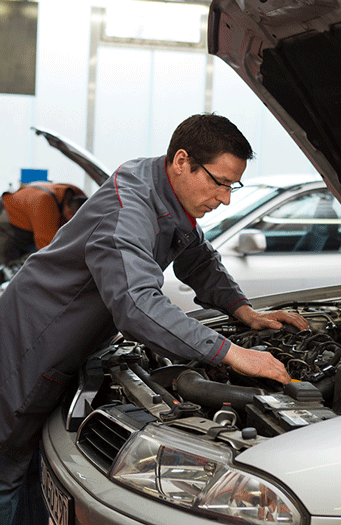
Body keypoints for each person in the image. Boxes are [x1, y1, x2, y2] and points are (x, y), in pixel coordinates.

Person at [0, 113, 308, 524]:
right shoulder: (127, 209)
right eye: (220, 182)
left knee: (34, 460)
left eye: (233, 186)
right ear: (182, 161)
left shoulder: (165, 192)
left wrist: (242, 310)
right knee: (7, 465)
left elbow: (198, 258)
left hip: (73, 339)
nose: (226, 198)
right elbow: (136, 302)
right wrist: (230, 354)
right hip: (36, 339)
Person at [0, 181, 87, 264]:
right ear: (70, 214)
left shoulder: (78, 193)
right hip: (7, 220)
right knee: (7, 264)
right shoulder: (45, 204)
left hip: (29, 217)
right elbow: (48, 250)